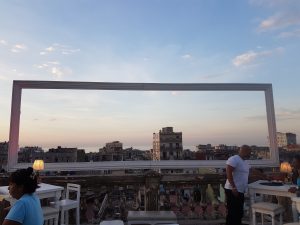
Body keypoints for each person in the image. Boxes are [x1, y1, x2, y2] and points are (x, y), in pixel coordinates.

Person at [224, 145, 251, 225]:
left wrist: (264, 176)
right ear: (243, 151)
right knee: (233, 213)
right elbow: (228, 172)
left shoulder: (245, 162)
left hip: (240, 190)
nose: (250, 154)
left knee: (239, 212)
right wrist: (233, 187)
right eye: (249, 152)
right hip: (232, 190)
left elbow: (252, 171)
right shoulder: (234, 159)